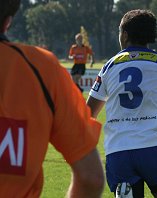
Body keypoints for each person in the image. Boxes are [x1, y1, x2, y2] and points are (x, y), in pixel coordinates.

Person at [87, 9, 157, 198]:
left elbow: (87, 115)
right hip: (155, 151)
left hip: (118, 153)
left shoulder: (109, 67)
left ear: (125, 34)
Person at [0, 0, 105, 197]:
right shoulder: (41, 68)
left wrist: (89, 60)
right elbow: (91, 178)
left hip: (78, 68)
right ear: (7, 22)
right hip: (54, 80)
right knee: (73, 80)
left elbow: (88, 55)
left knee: (77, 79)